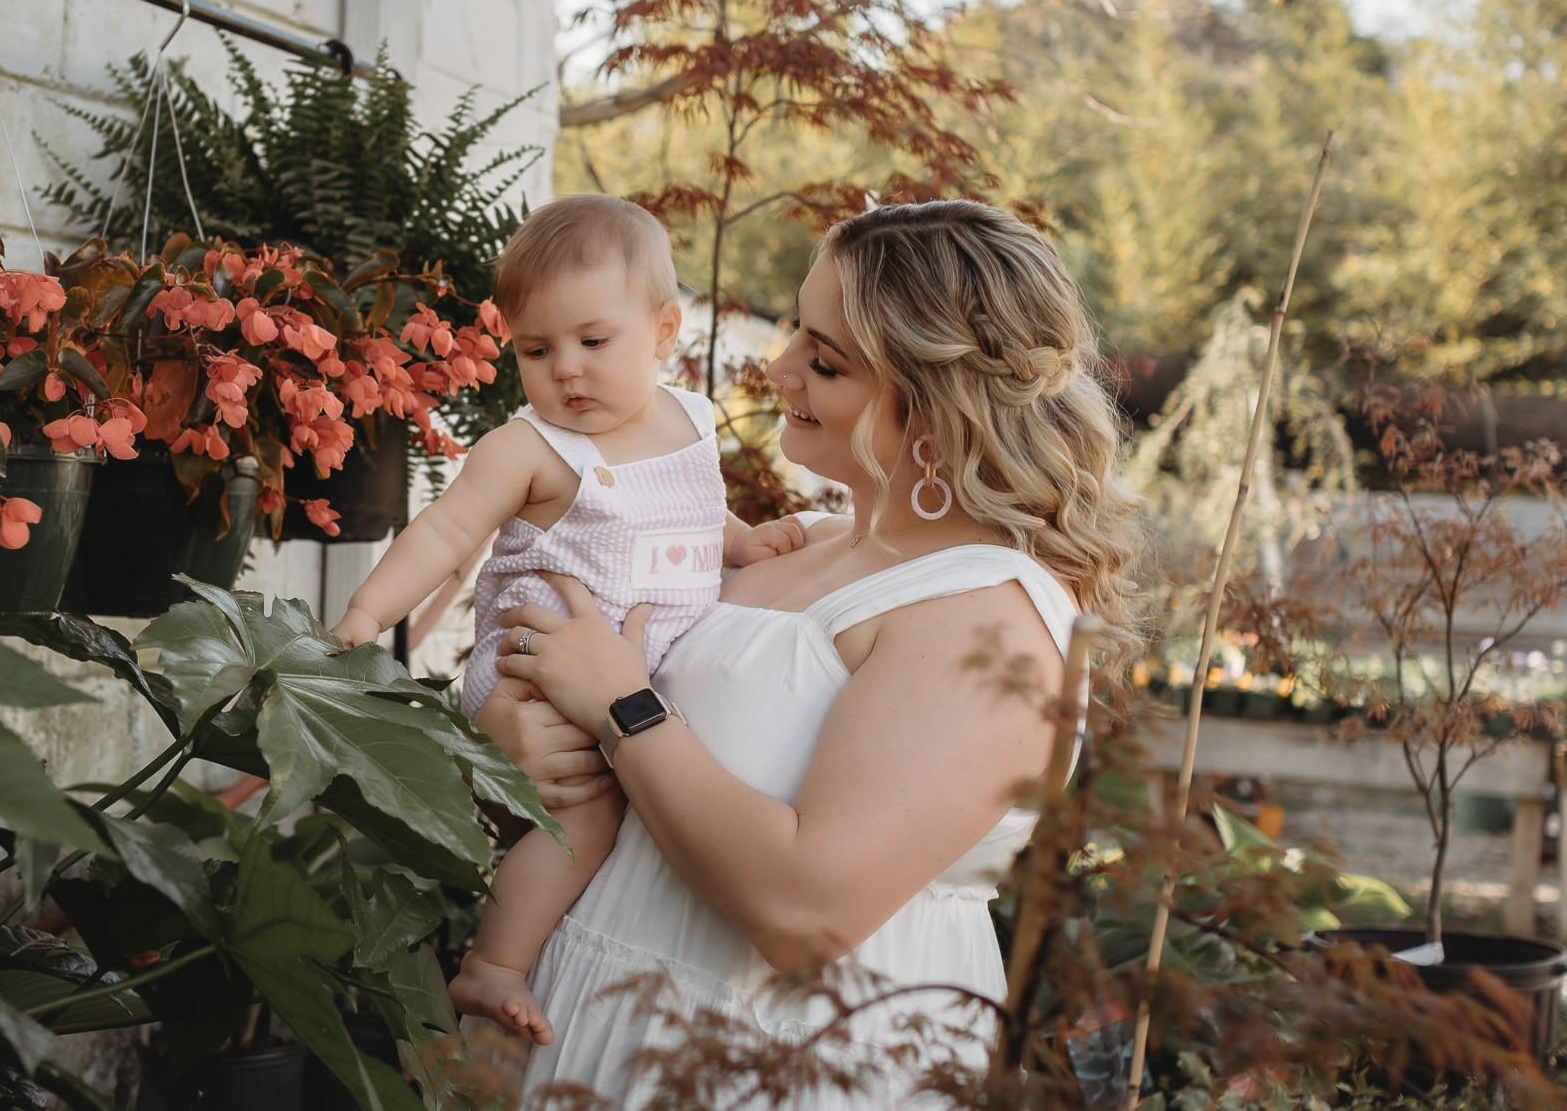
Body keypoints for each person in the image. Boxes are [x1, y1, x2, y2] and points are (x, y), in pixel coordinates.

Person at [474, 198, 1146, 1106]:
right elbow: (589, 722)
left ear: (937, 402)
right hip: (602, 1021)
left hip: (788, 1064)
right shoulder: (799, 546)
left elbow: (808, 913)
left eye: (825, 359)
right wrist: (514, 747)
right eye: (797, 330)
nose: (779, 366)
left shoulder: (988, 616)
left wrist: (623, 709)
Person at [330, 194, 807, 1043]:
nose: (566, 371)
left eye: (594, 341)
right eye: (536, 349)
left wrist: (744, 541)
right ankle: (493, 963)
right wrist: (368, 611)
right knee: (587, 813)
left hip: (628, 673)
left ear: (664, 332)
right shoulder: (530, 448)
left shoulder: (691, 421)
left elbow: (695, 518)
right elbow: (445, 532)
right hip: (537, 663)